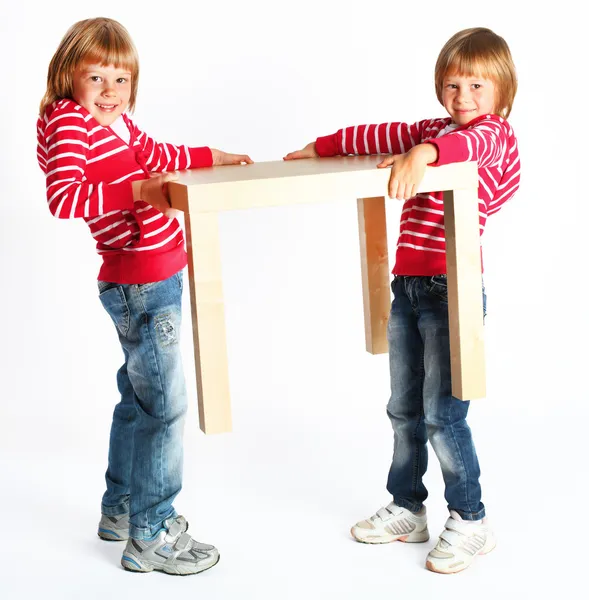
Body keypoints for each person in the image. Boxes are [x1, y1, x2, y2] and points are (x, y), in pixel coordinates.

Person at [284, 27, 520, 574]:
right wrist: (323, 146)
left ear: (502, 96)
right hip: (409, 288)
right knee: (403, 408)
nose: (463, 98)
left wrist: (425, 152)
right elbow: (374, 133)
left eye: (477, 87)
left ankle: (470, 518)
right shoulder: (431, 129)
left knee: (445, 414)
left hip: (452, 290)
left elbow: (469, 146)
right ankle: (407, 508)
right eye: (452, 85)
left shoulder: (493, 136)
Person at [37, 17, 253, 576]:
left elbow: (161, 153)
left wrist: (215, 157)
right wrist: (140, 190)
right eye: (98, 79)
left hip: (157, 275)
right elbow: (64, 197)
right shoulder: (70, 123)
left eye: (122, 80)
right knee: (167, 404)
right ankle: (151, 535)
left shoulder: (116, 126)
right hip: (140, 283)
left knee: (138, 399)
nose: (111, 92)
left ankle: (122, 509)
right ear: (69, 77)